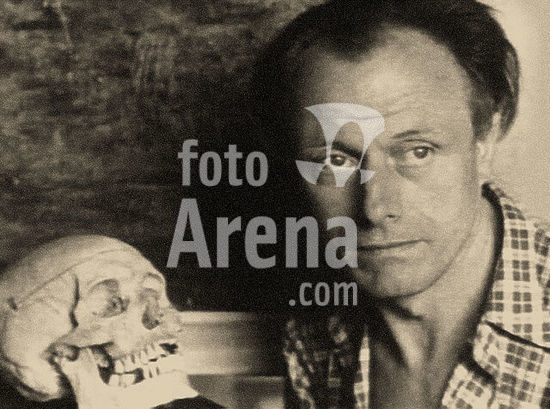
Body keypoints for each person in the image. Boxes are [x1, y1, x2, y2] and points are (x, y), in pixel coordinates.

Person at [251, 0, 550, 408]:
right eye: (335, 161)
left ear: (485, 142)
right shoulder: (313, 337)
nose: (375, 209)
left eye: (418, 152)